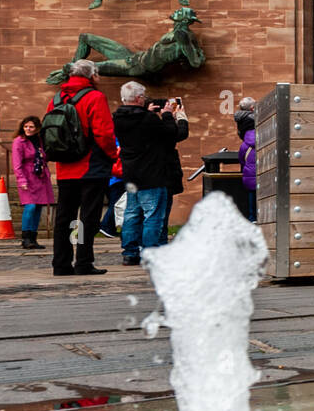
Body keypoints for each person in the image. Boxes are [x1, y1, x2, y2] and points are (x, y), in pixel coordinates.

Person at [47, 59, 118, 276]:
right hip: (91, 166)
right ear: (92, 76)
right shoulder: (95, 97)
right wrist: (113, 155)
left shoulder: (56, 98)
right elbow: (104, 133)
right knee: (88, 217)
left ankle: (61, 263)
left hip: (64, 166)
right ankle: (84, 261)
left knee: (65, 217)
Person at [113, 81, 188, 265]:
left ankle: (130, 253)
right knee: (153, 215)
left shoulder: (117, 118)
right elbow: (170, 133)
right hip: (152, 173)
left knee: (131, 214)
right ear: (139, 98)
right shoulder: (148, 119)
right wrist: (168, 115)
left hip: (131, 172)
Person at [11, 116, 55, 250]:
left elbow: (45, 157)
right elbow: (16, 164)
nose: (28, 129)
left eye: (31, 127)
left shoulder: (40, 141)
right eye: (25, 127)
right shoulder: (19, 141)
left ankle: (33, 238)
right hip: (27, 178)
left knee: (38, 208)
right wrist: (21, 180)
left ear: (37, 129)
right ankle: (26, 238)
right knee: (30, 207)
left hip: (40, 177)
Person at [156, 97, 189, 245]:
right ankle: (159, 243)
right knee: (160, 212)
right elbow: (179, 134)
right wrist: (180, 117)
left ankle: (133, 249)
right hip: (163, 172)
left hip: (144, 173)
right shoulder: (158, 124)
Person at [236, 96, 257, 221]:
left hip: (249, 174)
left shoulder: (244, 144)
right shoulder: (264, 140)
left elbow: (241, 159)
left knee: (251, 196)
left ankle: (251, 217)